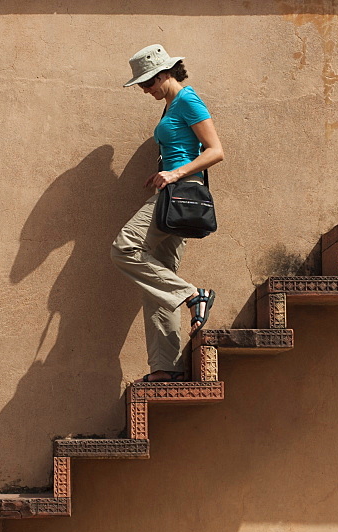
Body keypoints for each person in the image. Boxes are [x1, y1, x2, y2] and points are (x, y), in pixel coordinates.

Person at [111, 44, 224, 383]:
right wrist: (162, 171)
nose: (145, 91)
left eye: (147, 84)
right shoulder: (170, 105)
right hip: (170, 194)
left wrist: (174, 174)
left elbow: (216, 151)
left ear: (163, 75)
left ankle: (192, 294)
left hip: (178, 195)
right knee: (158, 282)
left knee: (124, 248)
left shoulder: (188, 100)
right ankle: (165, 368)